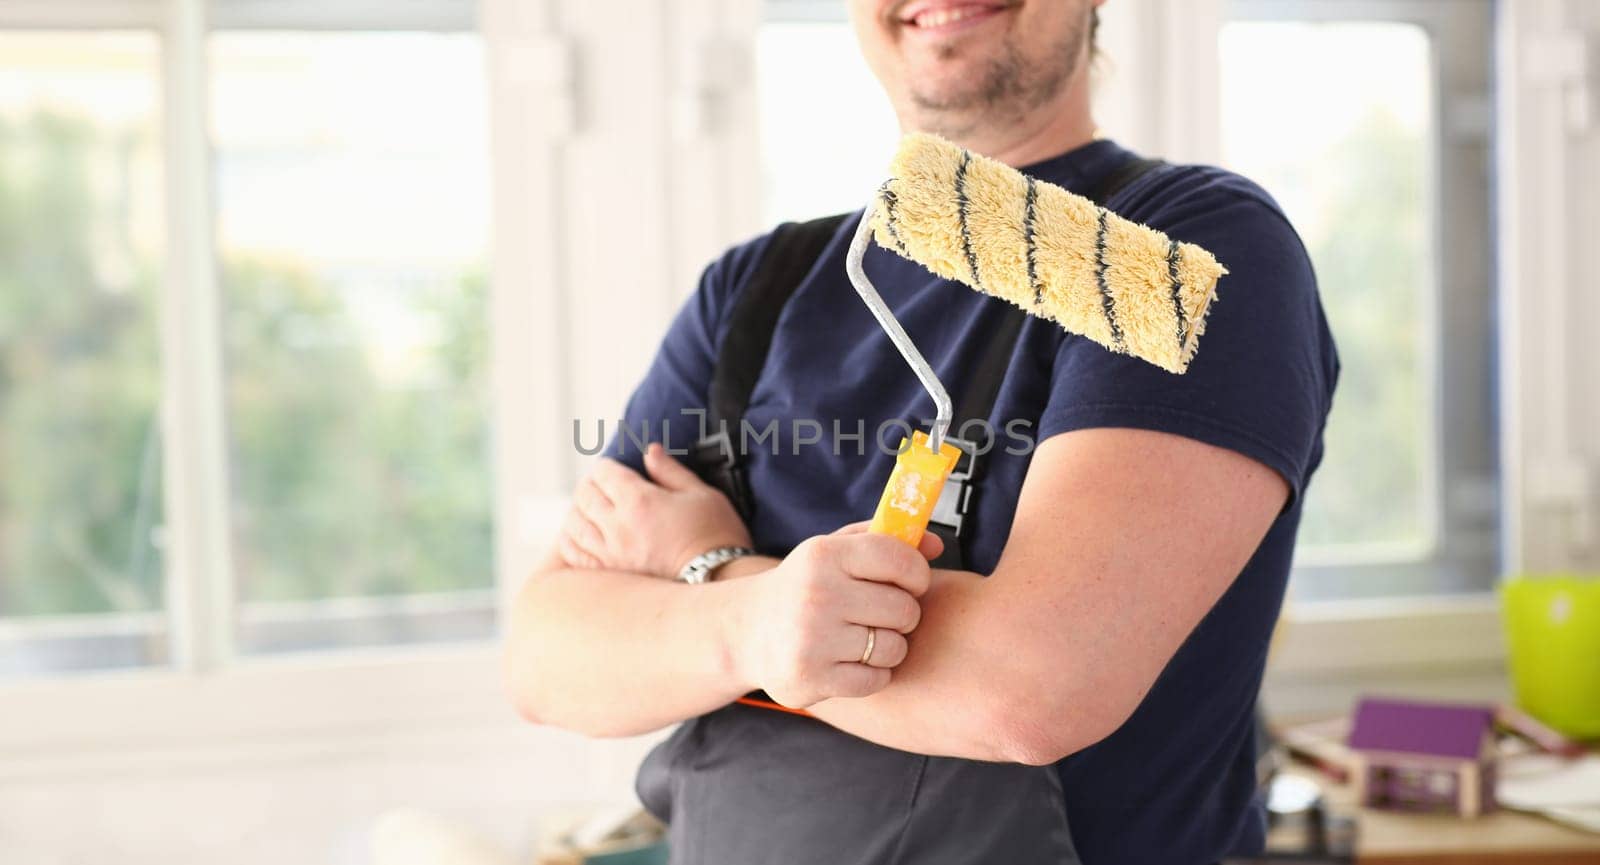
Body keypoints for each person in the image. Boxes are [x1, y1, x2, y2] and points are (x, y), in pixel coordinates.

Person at [505, 0, 1339, 862]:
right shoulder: (755, 291)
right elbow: (547, 656)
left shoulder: (1184, 252)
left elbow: (1028, 687)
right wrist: (753, 621)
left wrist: (712, 573)